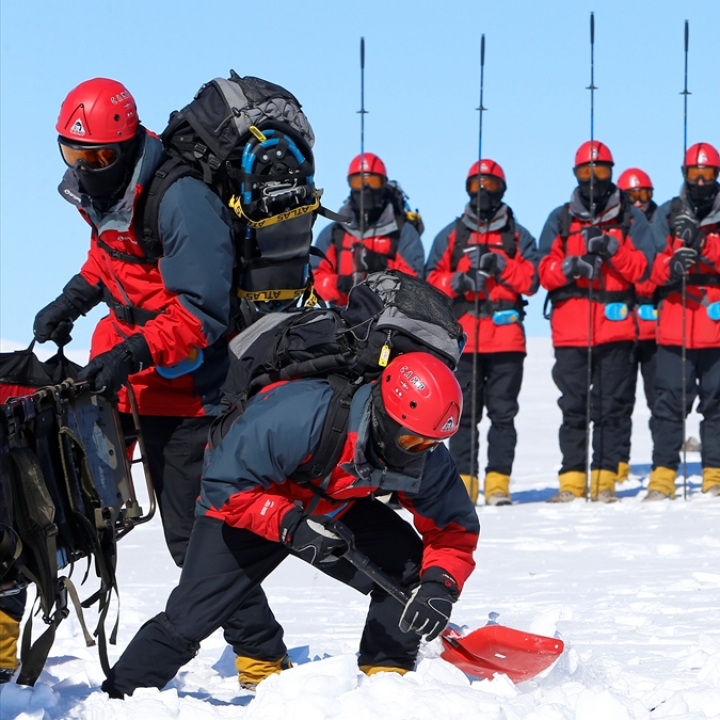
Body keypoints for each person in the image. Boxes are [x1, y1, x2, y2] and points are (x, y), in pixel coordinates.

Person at [30, 78, 286, 689]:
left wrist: (133, 353)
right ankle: (9, 623)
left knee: (192, 538)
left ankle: (263, 660)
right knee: (51, 493)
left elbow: (202, 314)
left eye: (94, 156)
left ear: (124, 147)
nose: (84, 167)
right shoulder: (108, 192)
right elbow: (113, 256)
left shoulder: (181, 199)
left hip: (188, 389)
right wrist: (74, 298)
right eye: (72, 153)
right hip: (124, 376)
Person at [102, 352, 479, 696]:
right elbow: (224, 486)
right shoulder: (298, 416)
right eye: (413, 440)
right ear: (385, 413)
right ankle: (120, 695)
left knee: (410, 572)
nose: (422, 452)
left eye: (433, 442)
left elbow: (453, 530)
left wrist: (440, 586)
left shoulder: (425, 456)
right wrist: (291, 526)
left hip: (332, 505)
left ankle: (386, 684)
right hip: (248, 505)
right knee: (188, 617)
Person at [536, 141, 654, 502]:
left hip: (616, 329)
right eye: (586, 172)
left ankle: (604, 481)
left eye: (600, 171)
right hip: (570, 332)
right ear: (575, 174)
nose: (593, 179)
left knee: (611, 407)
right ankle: (571, 481)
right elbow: (542, 271)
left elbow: (646, 274)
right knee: (573, 408)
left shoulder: (632, 219)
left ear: (611, 172)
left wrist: (614, 251)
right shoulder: (560, 218)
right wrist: (570, 267)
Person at [424, 159, 538, 506]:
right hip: (464, 342)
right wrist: (459, 280)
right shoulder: (451, 234)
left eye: (489, 185)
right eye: (476, 185)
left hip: (507, 340)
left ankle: (499, 482)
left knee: (504, 414)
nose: (483, 192)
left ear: (501, 190)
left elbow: (532, 280)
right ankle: (465, 482)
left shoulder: (519, 235)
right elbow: (430, 279)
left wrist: (501, 264)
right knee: (463, 415)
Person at [640, 144, 720, 500]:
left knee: (717, 406)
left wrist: (701, 242)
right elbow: (648, 268)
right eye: (694, 175)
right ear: (684, 174)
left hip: (717, 329)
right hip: (674, 325)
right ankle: (663, 474)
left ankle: (715, 473)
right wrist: (670, 266)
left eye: (708, 175)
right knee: (668, 407)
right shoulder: (667, 214)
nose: (701, 182)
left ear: (718, 176)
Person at [313, 153, 425, 306]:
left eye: (373, 182)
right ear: (349, 184)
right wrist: (340, 284)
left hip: (390, 320)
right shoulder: (335, 233)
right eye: (358, 182)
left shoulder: (402, 233)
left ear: (383, 184)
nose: (366, 189)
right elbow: (314, 280)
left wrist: (384, 266)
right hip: (343, 318)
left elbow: (418, 284)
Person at [617, 167, 659, 482]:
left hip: (656, 329)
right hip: (623, 326)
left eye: (643, 195)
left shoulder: (659, 224)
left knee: (661, 400)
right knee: (619, 400)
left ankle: (663, 459)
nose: (638, 202)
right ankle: (618, 461)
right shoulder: (621, 224)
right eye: (632, 196)